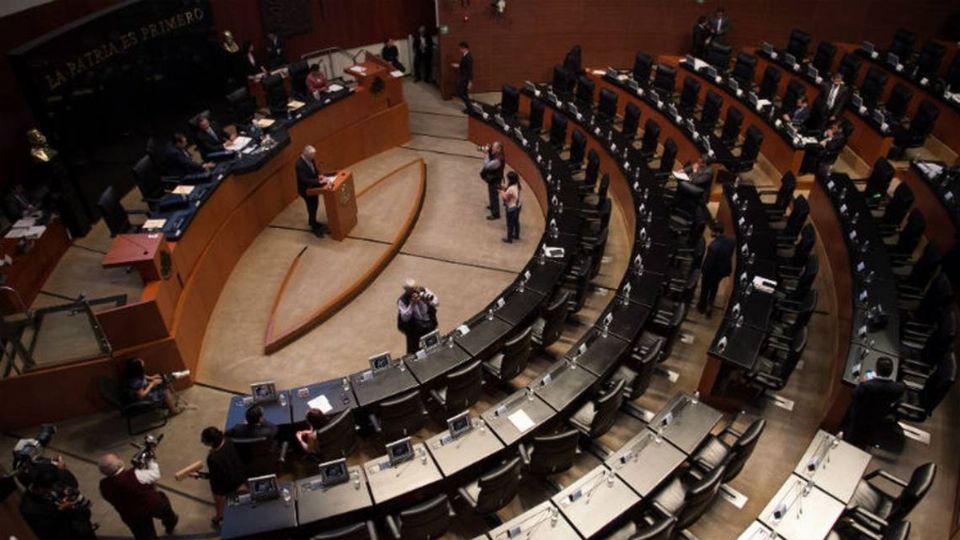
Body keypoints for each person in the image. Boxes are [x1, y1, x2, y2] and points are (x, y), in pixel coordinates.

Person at [98, 453, 178, 540]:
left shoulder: (103, 486)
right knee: (165, 509)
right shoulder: (135, 475)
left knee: (144, 536)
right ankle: (170, 524)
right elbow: (156, 474)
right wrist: (150, 461)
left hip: (132, 515)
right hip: (152, 504)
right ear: (119, 464)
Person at [842, 357, 905, 448]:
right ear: (891, 371)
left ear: (876, 370)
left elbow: (854, 394)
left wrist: (864, 381)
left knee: (851, 439)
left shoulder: (867, 386)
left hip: (860, 416)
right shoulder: (898, 388)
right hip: (879, 415)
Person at [20, 465, 97, 540]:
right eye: (49, 489)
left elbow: (73, 483)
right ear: (40, 489)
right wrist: (60, 509)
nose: (52, 490)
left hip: (81, 527)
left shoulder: (50, 481)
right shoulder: (29, 507)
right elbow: (44, 528)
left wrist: (63, 471)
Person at [196, 427, 246, 530]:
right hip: (240, 475)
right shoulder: (228, 441)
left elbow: (215, 478)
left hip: (228, 484)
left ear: (210, 442)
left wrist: (200, 475)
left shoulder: (213, 458)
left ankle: (219, 515)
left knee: (217, 494)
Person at [698, 224, 736, 317]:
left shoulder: (713, 247)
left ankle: (702, 306)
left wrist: (703, 271)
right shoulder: (731, 241)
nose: (711, 233)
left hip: (711, 271)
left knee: (705, 288)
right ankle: (710, 305)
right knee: (714, 287)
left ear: (717, 232)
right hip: (722, 271)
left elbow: (708, 263)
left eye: (712, 231)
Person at [295, 145, 331, 238]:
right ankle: (313, 226)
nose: (313, 157)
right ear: (306, 154)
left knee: (314, 204)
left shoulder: (310, 159)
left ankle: (313, 222)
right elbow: (304, 179)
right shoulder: (299, 164)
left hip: (313, 187)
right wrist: (318, 182)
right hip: (306, 189)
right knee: (311, 206)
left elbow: (315, 170)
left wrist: (319, 175)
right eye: (312, 155)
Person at [397, 279, 439, 354]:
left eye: (416, 287)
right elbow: (405, 318)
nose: (416, 290)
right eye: (413, 290)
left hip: (429, 322)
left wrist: (428, 301)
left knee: (433, 344)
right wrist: (412, 304)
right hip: (414, 327)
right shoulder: (402, 300)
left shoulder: (424, 290)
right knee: (413, 351)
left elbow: (436, 303)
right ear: (407, 291)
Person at [481, 141, 505, 220]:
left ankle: (495, 214)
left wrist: (486, 155)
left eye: (494, 147)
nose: (492, 148)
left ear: (498, 149)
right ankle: (492, 206)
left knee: (494, 195)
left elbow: (487, 165)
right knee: (491, 192)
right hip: (492, 177)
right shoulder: (497, 154)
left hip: (495, 179)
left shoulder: (498, 160)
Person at [451, 41, 474, 112]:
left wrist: (470, 81)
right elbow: (464, 66)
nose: (459, 50)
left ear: (464, 48)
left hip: (465, 78)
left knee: (461, 92)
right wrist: (458, 65)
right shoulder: (465, 55)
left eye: (460, 48)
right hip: (463, 77)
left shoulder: (468, 57)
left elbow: (470, 70)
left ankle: (470, 107)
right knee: (463, 93)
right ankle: (469, 107)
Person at [501, 171, 522, 243]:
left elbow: (506, 198)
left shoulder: (511, 189)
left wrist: (501, 192)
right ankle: (516, 235)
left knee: (510, 223)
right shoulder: (517, 185)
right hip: (518, 205)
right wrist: (505, 188)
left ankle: (509, 239)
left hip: (511, 208)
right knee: (516, 221)